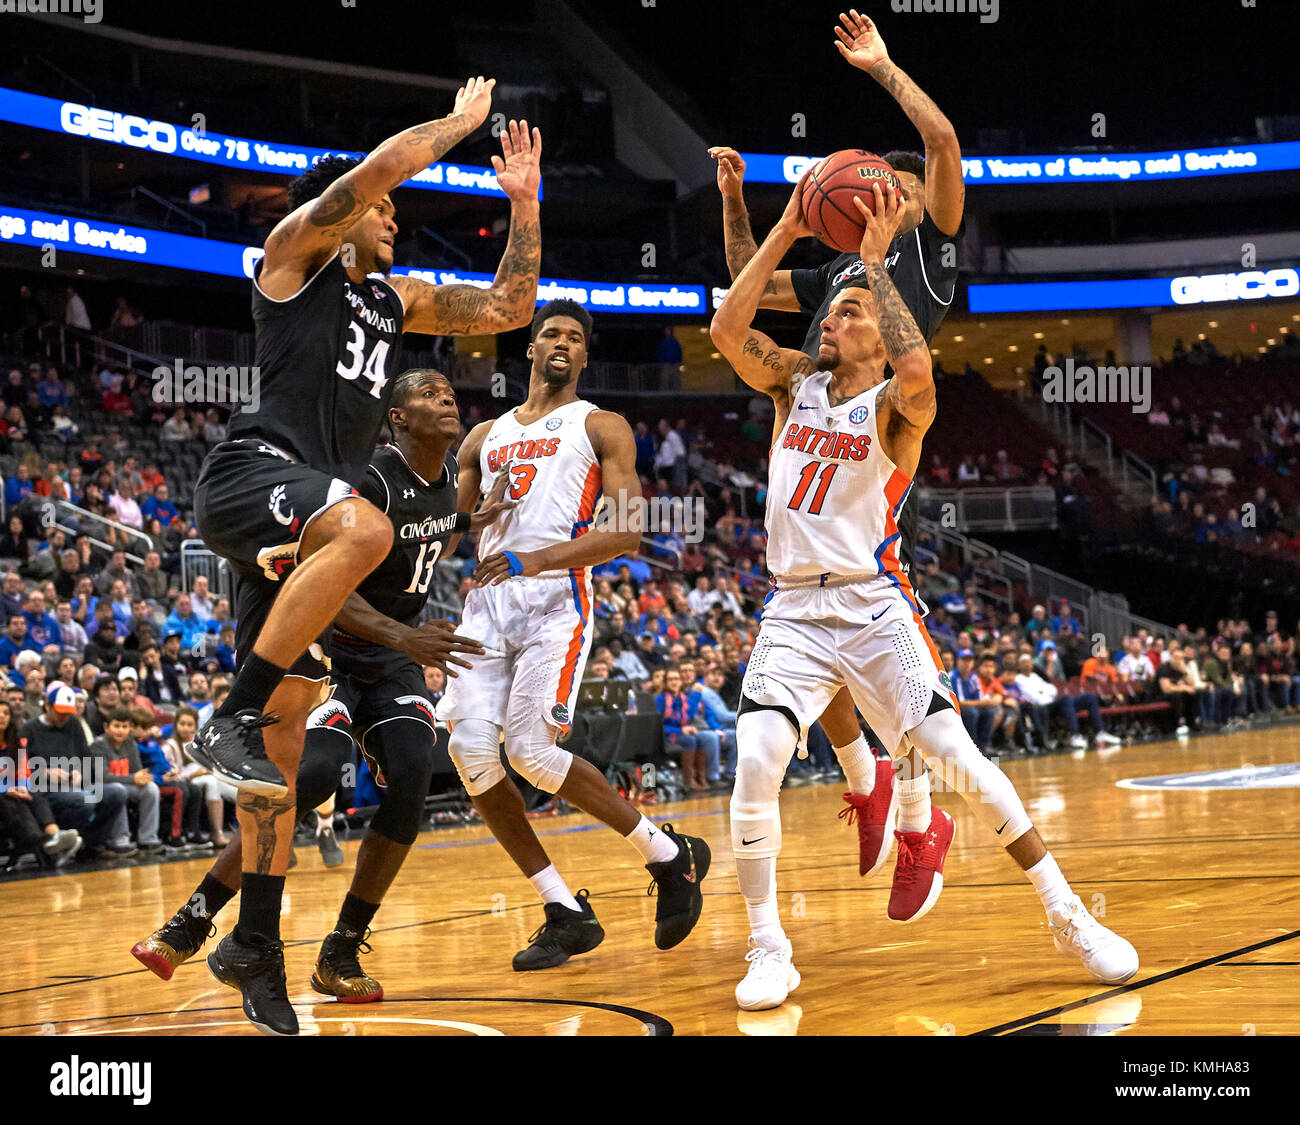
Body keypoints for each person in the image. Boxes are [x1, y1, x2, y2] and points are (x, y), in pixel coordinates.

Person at [708, 165, 1136, 1012]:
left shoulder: (898, 409)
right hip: (793, 610)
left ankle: (1067, 914)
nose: (832, 319)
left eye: (849, 313)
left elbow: (916, 365)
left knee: (959, 761)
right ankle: (769, 947)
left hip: (873, 604)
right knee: (753, 760)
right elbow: (728, 326)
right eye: (831, 312)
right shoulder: (794, 384)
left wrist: (871, 267)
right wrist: (786, 232)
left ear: (877, 330)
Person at [177, 83, 542, 1037]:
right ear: (339, 212)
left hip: (302, 529)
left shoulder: (397, 300)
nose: (394, 215)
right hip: (253, 475)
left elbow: (510, 304)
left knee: (282, 765)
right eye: (381, 210)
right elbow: (378, 170)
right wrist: (456, 129)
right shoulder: (293, 260)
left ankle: (256, 946)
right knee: (369, 531)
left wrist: (526, 199)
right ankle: (230, 713)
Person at [711, 8, 966, 890]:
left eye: (888, 186)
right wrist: (741, 203)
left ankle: (915, 817)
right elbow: (747, 282)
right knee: (814, 635)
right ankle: (875, 787)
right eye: (869, 190)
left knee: (884, 645)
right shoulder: (834, 276)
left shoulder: (930, 252)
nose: (878, 196)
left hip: (887, 436)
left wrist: (883, 66)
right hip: (812, 427)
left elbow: (941, 142)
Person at [437, 299, 713, 973]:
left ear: (585, 355)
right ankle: (563, 909)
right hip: (485, 606)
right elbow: (441, 530)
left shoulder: (600, 425)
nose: (561, 342)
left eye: (574, 337)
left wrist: (536, 557)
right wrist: (466, 522)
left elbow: (626, 532)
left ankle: (668, 854)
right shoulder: (482, 436)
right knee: (471, 753)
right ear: (529, 348)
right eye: (550, 333)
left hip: (554, 600)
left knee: (530, 754)